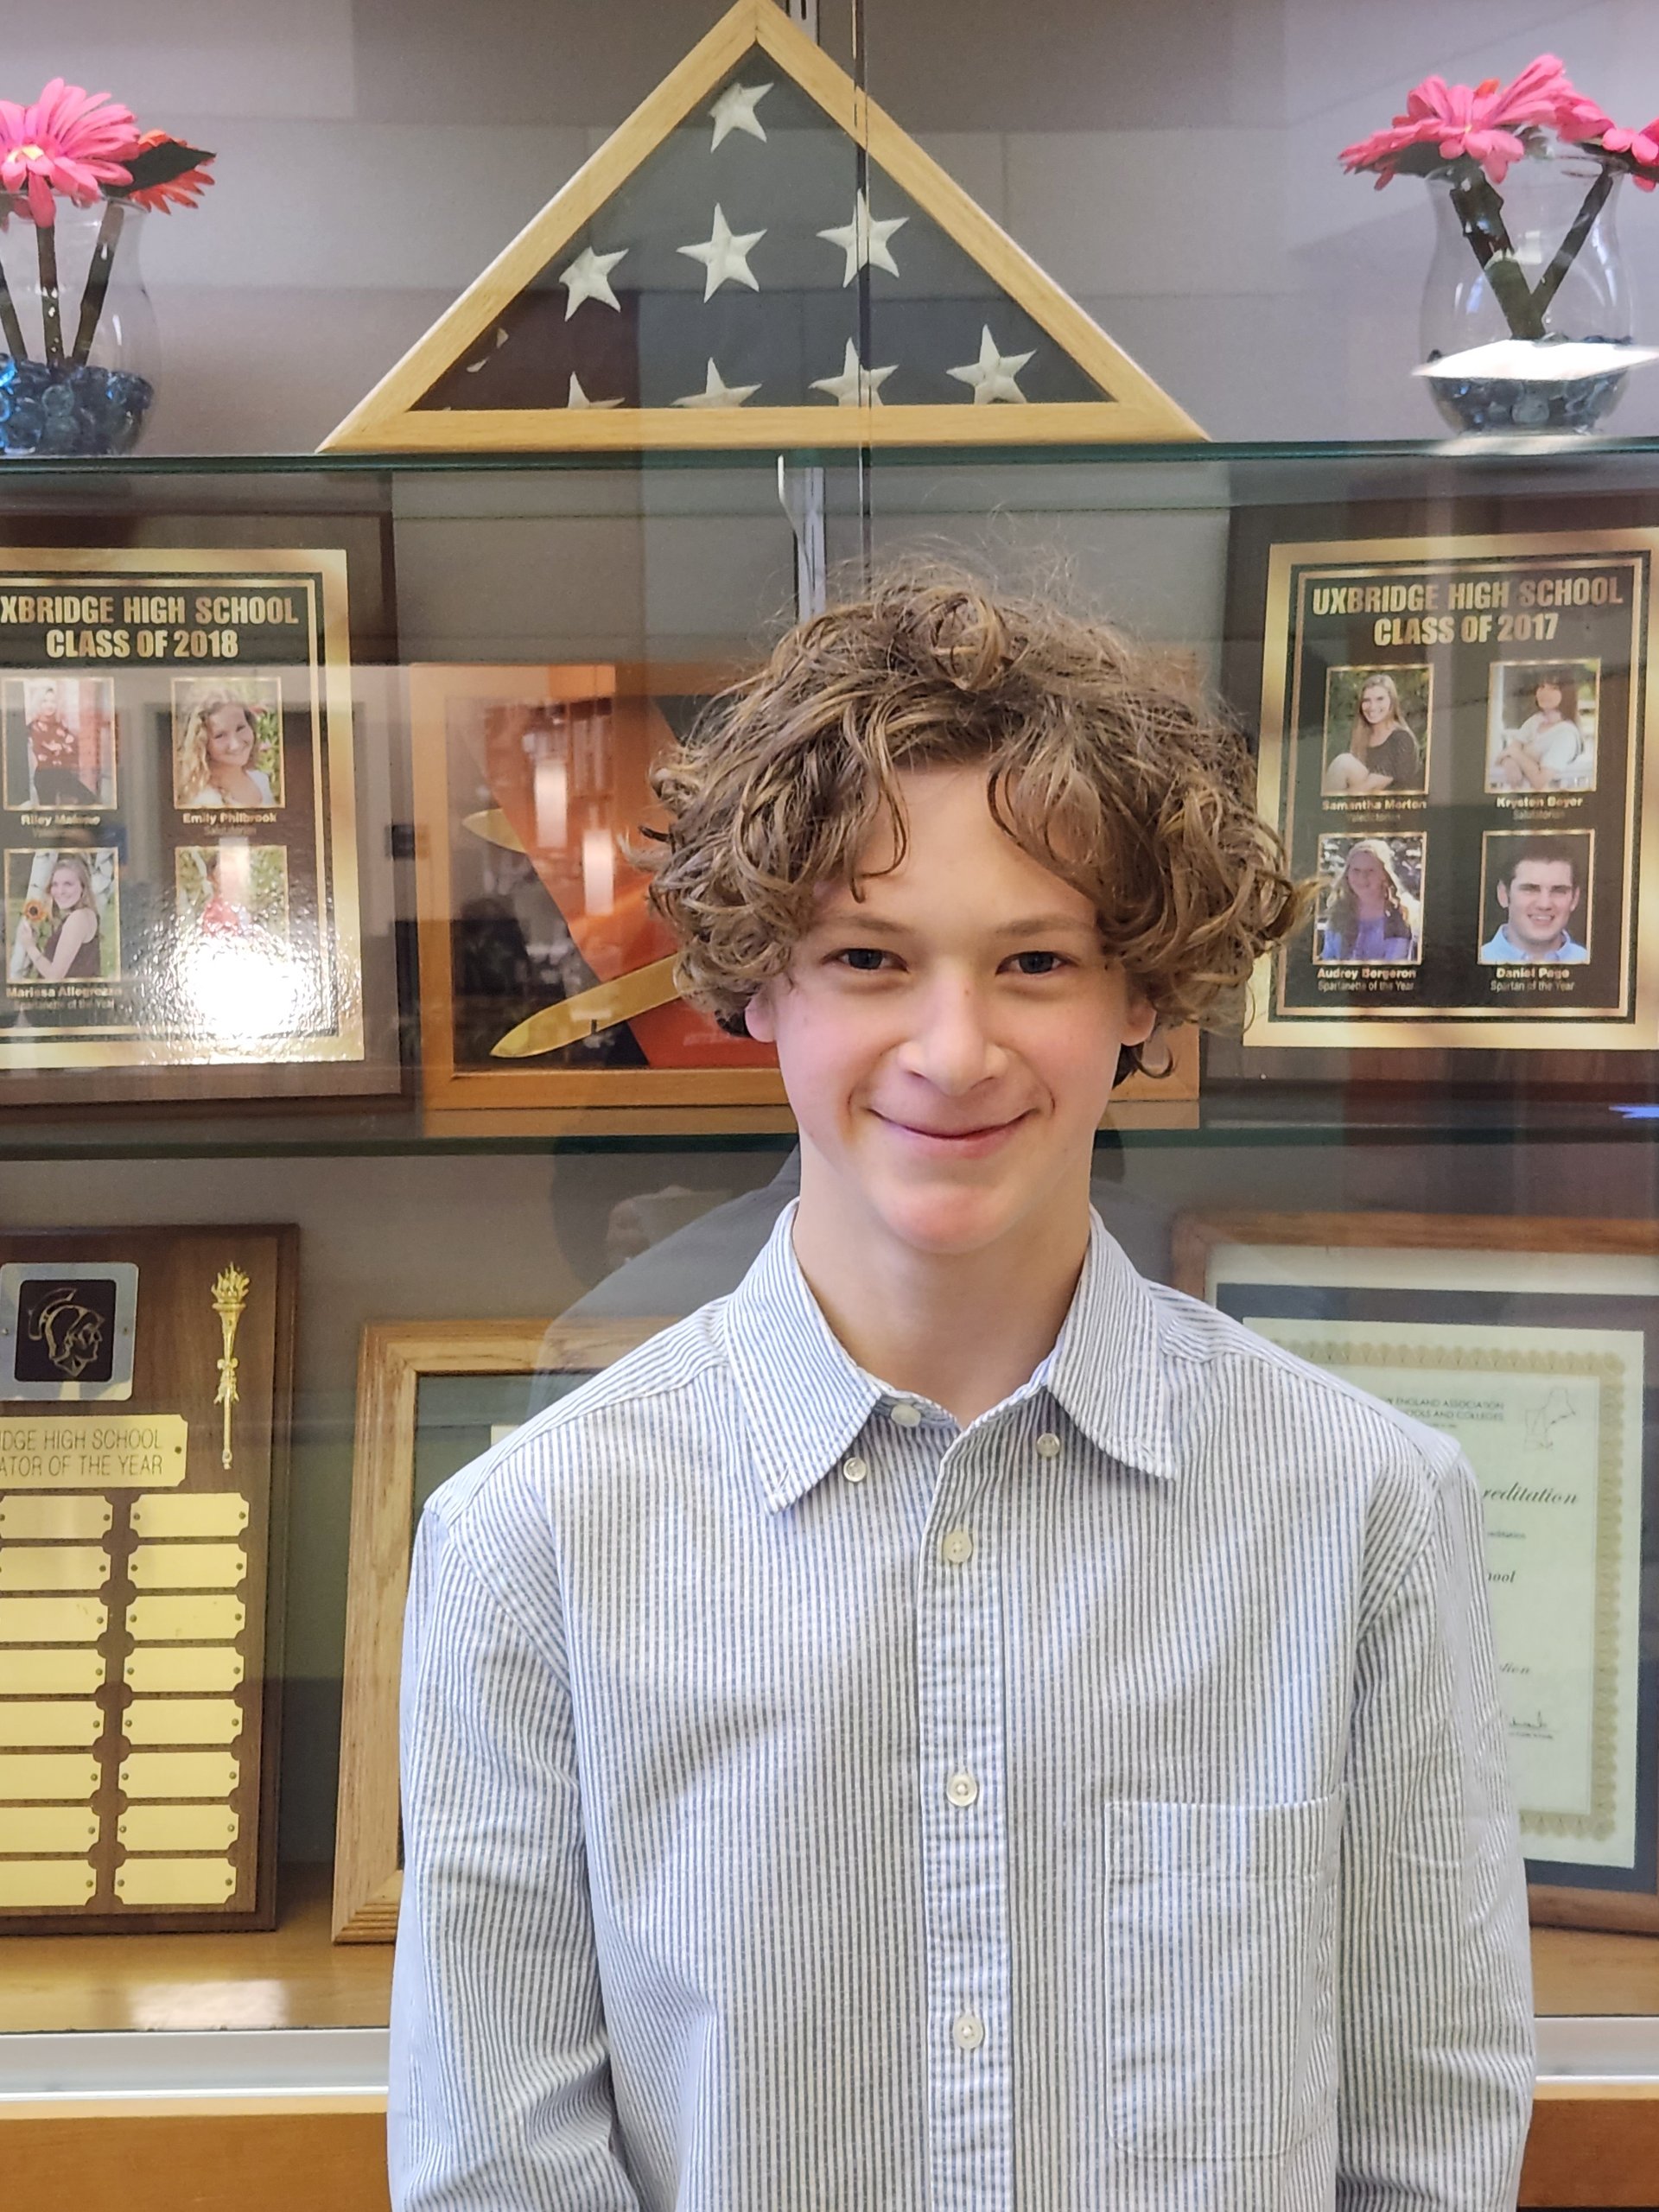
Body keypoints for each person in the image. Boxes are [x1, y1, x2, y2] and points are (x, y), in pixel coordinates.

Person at [391, 575, 1534, 2211]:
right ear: (756, 984)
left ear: (1141, 996)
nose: (953, 1047)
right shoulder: (533, 1538)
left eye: (1035, 961)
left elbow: (1427, 2138)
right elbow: (499, 2169)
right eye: (869, 956)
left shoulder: (1367, 1513)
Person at [1480, 837, 1590, 963]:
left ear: (1575, 898)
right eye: (1530, 890)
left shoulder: (1595, 963)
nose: (1544, 904)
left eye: (1558, 891)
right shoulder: (1471, 962)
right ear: (1503, 894)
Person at [1318, 835, 1421, 962]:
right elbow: (1328, 958)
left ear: (1384, 875)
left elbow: (1395, 962)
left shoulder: (1400, 914)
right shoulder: (1339, 912)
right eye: (1356, 870)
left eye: (1370, 871)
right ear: (1347, 874)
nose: (1362, 877)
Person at [1321, 670, 1424, 794]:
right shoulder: (1361, 735)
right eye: (1366, 700)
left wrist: (1335, 799)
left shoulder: (1401, 738)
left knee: (1343, 762)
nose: (1372, 707)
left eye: (1380, 699)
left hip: (1394, 802)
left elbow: (1373, 786)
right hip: (1362, 800)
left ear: (1392, 701)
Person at [175, 687, 278, 809]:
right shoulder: (207, 801)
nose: (236, 744)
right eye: (220, 735)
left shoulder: (260, 779)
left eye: (240, 728)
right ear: (202, 744)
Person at [1489, 671, 1592, 792]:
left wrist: (1516, 754)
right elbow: (1506, 752)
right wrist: (1509, 762)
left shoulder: (1566, 734)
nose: (1545, 692)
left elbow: (1540, 781)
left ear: (1566, 693)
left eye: (1554, 688)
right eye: (1542, 686)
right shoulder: (1535, 721)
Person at [11, 852, 101, 982]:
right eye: (55, 884)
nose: (60, 891)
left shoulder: (78, 918)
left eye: (68, 884)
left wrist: (30, 946)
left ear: (83, 887)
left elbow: (54, 976)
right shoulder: (87, 914)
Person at [24, 682, 100, 807]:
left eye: (53, 701)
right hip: (45, 775)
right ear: (38, 703)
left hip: (63, 774)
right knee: (49, 813)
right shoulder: (33, 727)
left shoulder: (60, 725)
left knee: (89, 798)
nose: (50, 705)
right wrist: (64, 746)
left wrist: (62, 747)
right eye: (45, 701)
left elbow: (74, 746)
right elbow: (48, 751)